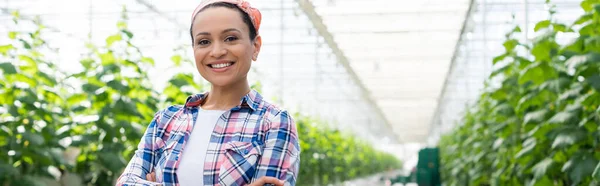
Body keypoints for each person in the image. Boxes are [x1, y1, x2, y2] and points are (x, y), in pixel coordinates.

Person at [115, 0, 300, 185]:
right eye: (204, 41)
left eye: (231, 38)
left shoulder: (274, 122)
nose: (217, 51)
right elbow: (125, 183)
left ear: (255, 46)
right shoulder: (166, 121)